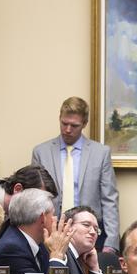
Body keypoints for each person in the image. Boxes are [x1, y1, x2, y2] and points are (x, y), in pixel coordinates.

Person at [30, 96, 119, 253]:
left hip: (89, 235)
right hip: (52, 233)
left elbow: (109, 199)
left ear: (84, 124)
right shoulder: (41, 152)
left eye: (74, 125)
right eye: (64, 123)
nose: (68, 130)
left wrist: (111, 242)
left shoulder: (100, 153)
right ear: (59, 118)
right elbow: (35, 198)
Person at [0, 188, 71, 274]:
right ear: (42, 218)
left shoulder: (40, 244)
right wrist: (57, 255)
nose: (54, 220)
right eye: (52, 215)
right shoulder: (12, 249)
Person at [61, 205, 103, 274]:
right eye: (86, 225)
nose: (93, 232)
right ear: (67, 228)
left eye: (96, 229)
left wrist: (94, 268)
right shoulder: (61, 255)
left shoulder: (81, 258)